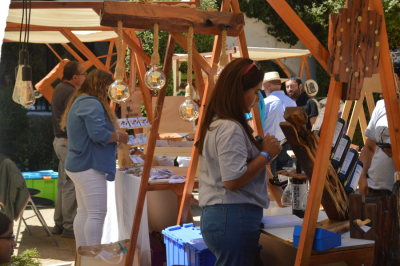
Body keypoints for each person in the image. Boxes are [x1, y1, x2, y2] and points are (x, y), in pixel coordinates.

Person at [197, 58, 282, 266]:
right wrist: (266, 155)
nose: (257, 98)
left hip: (227, 218)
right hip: (232, 217)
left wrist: (262, 153)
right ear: (238, 91)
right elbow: (232, 180)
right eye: (254, 91)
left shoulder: (221, 122)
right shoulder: (229, 127)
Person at [60, 69, 128, 249]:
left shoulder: (81, 100)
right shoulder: (92, 103)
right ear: (101, 85)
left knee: (84, 212)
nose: (109, 92)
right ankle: (93, 256)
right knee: (97, 213)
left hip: (79, 164)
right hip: (88, 166)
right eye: (108, 88)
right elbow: (98, 134)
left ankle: (83, 255)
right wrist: (119, 136)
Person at [51, 61, 86, 238]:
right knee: (69, 185)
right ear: (75, 77)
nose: (85, 77)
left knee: (63, 185)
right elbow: (76, 120)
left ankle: (59, 223)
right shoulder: (70, 91)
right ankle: (68, 227)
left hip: (61, 141)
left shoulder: (59, 87)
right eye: (84, 74)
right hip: (67, 142)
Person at [358, 51, 400, 195]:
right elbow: (369, 148)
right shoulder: (381, 105)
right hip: (374, 189)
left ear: (394, 79)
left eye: (381, 78)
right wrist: (362, 175)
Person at [263, 72, 296, 175]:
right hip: (286, 143)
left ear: (268, 85)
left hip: (269, 144)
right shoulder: (291, 102)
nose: (263, 89)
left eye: (263, 86)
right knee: (284, 180)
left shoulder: (266, 103)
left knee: (270, 180)